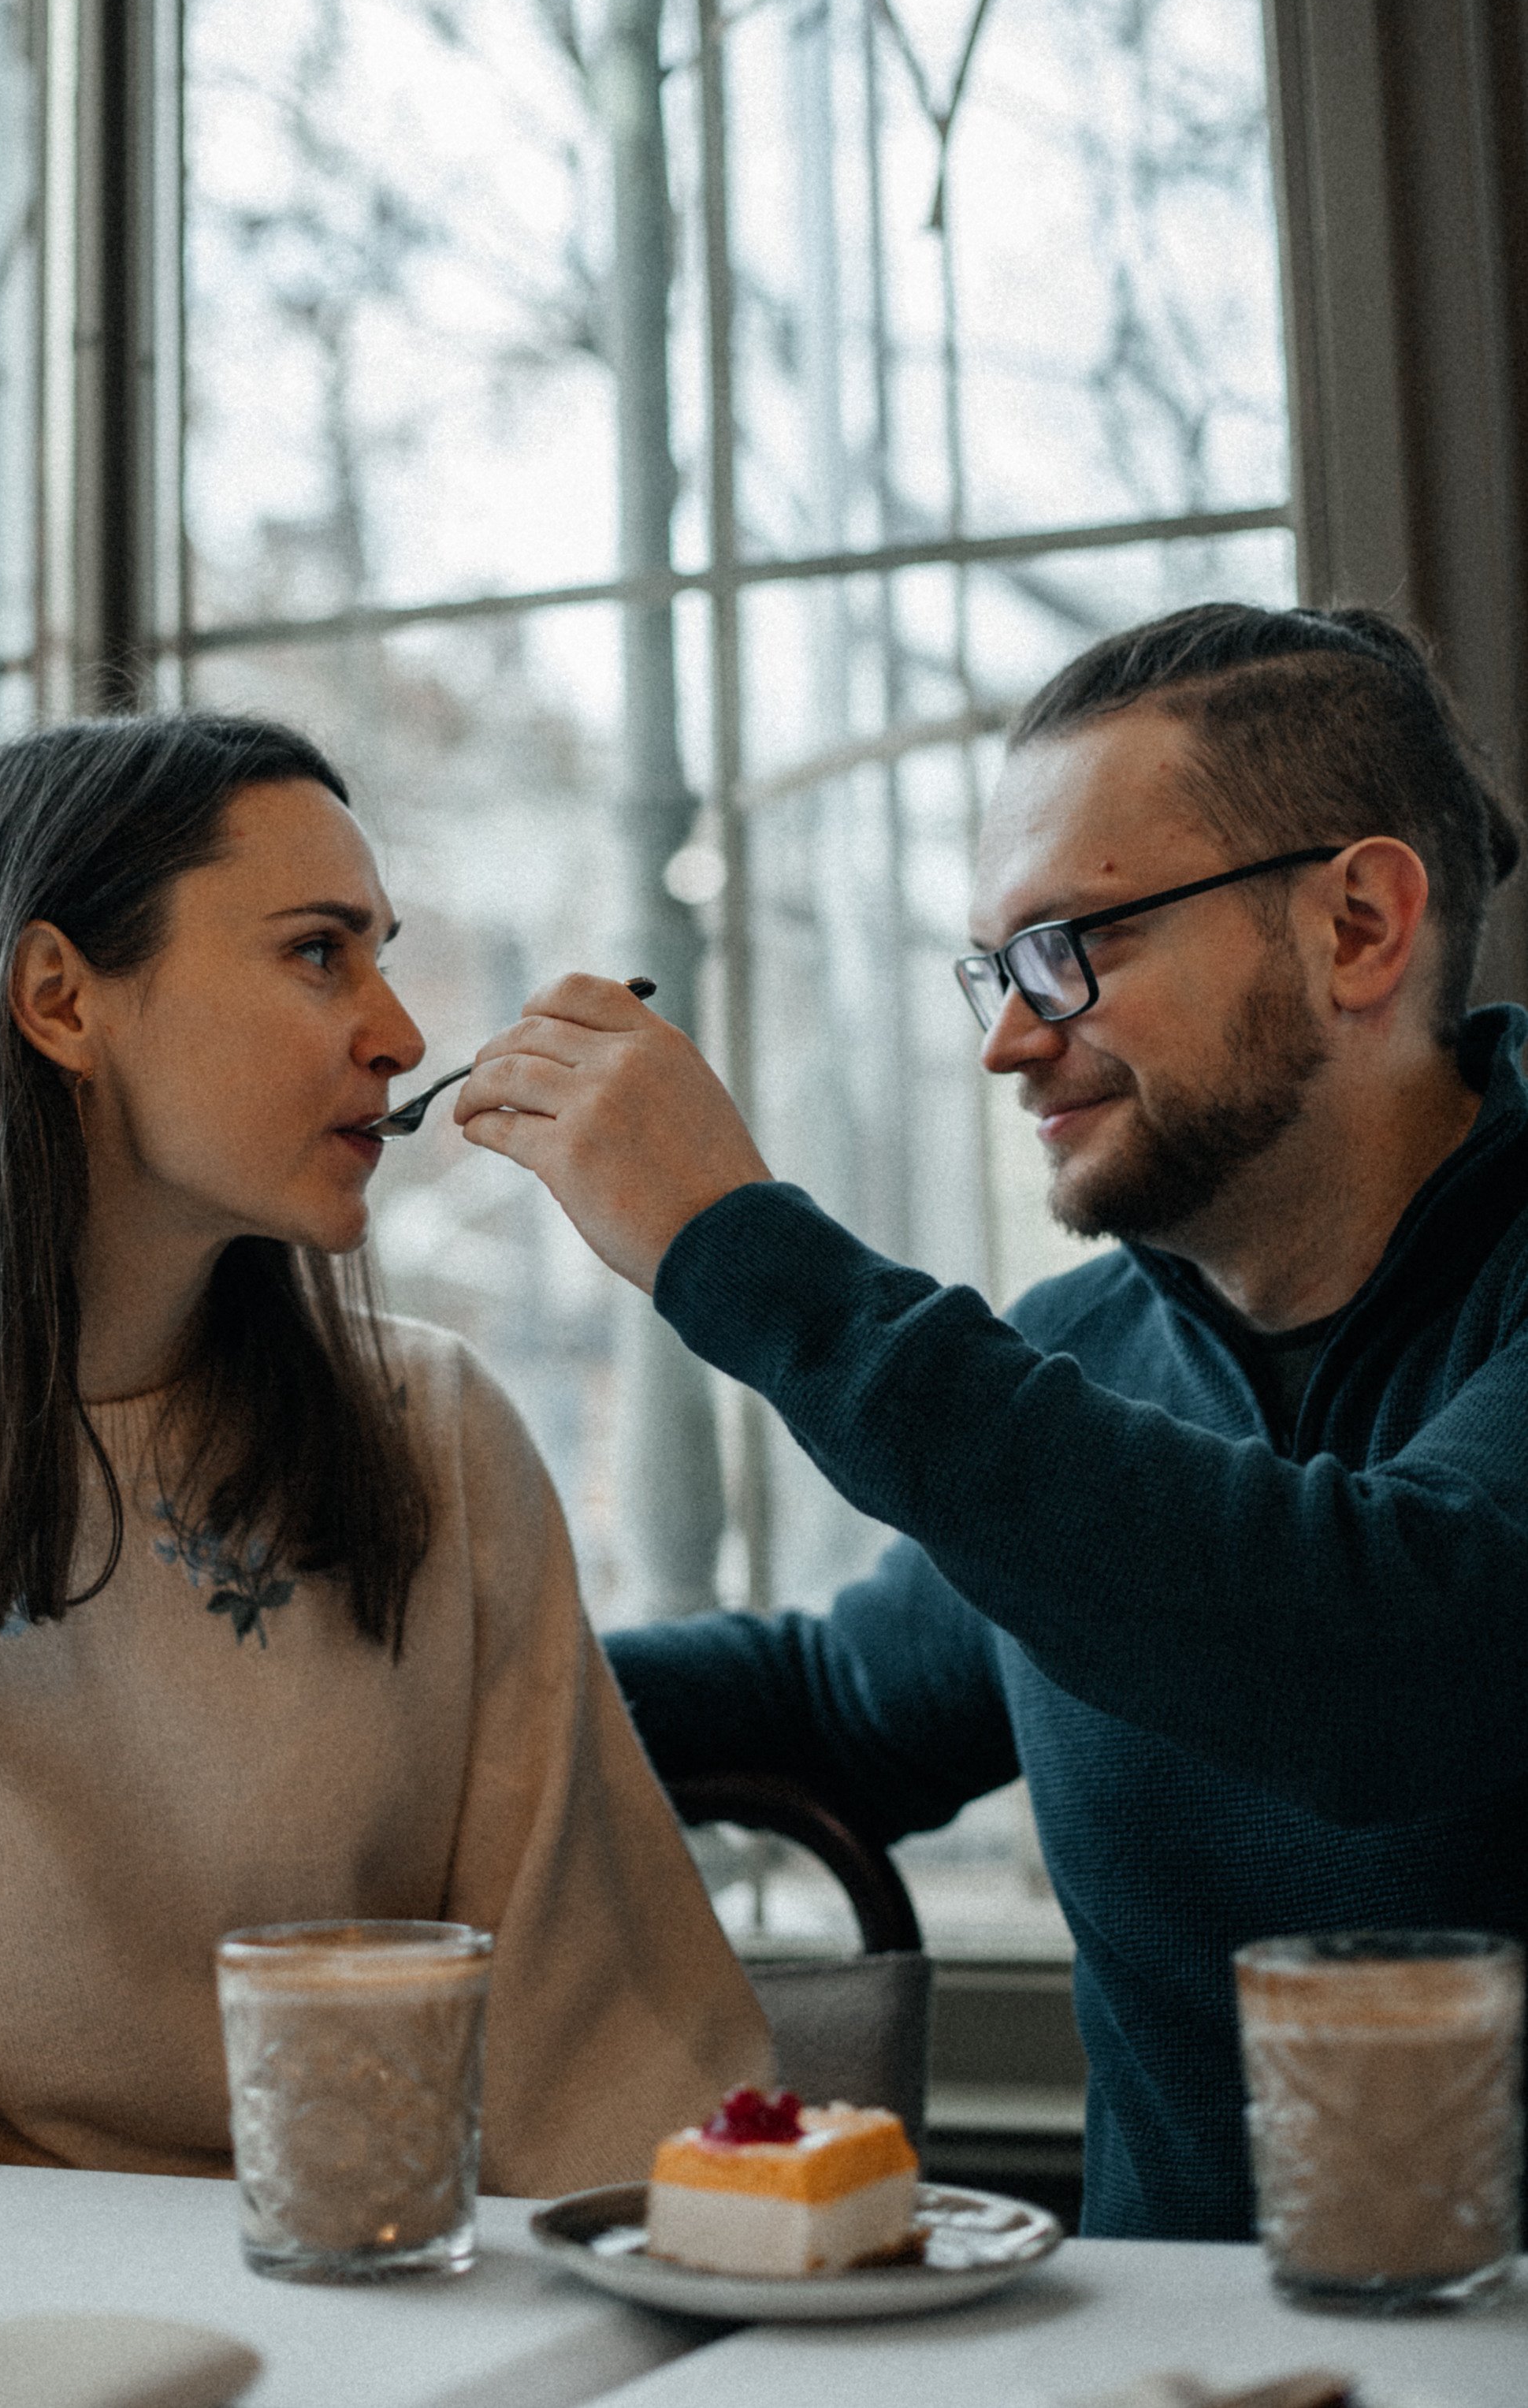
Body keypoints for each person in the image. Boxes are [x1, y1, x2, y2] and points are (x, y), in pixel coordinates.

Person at [453, 603, 1528, 2241]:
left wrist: (740, 1249)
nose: (1011, 1041)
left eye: (1071, 948)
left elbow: (1389, 1653)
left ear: (1362, 926)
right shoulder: (1080, 1362)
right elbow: (837, 1704)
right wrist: (386, 1697)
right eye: (996, 966)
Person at [0, 711, 765, 2183]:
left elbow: (593, 2079)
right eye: (320, 951)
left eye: (381, 953)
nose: (396, 1032)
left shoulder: (434, 1439)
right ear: (61, 1001)